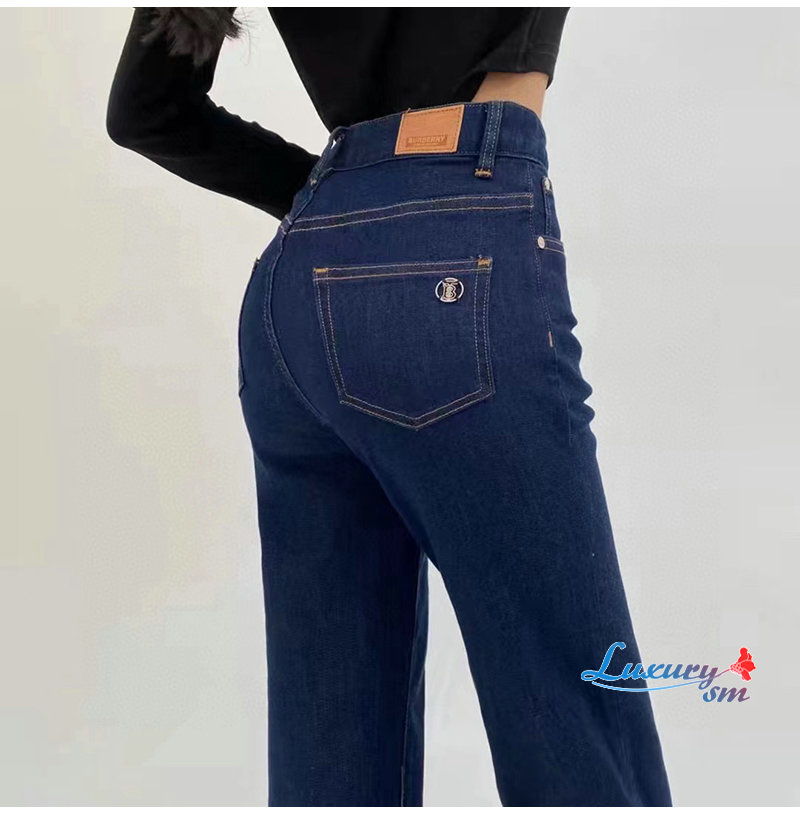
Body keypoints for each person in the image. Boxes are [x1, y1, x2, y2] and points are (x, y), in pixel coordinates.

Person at [107, 8, 673, 807]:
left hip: (297, 291)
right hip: (460, 244)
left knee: (331, 758)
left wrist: (339, 199)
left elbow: (145, 109)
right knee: (582, 723)